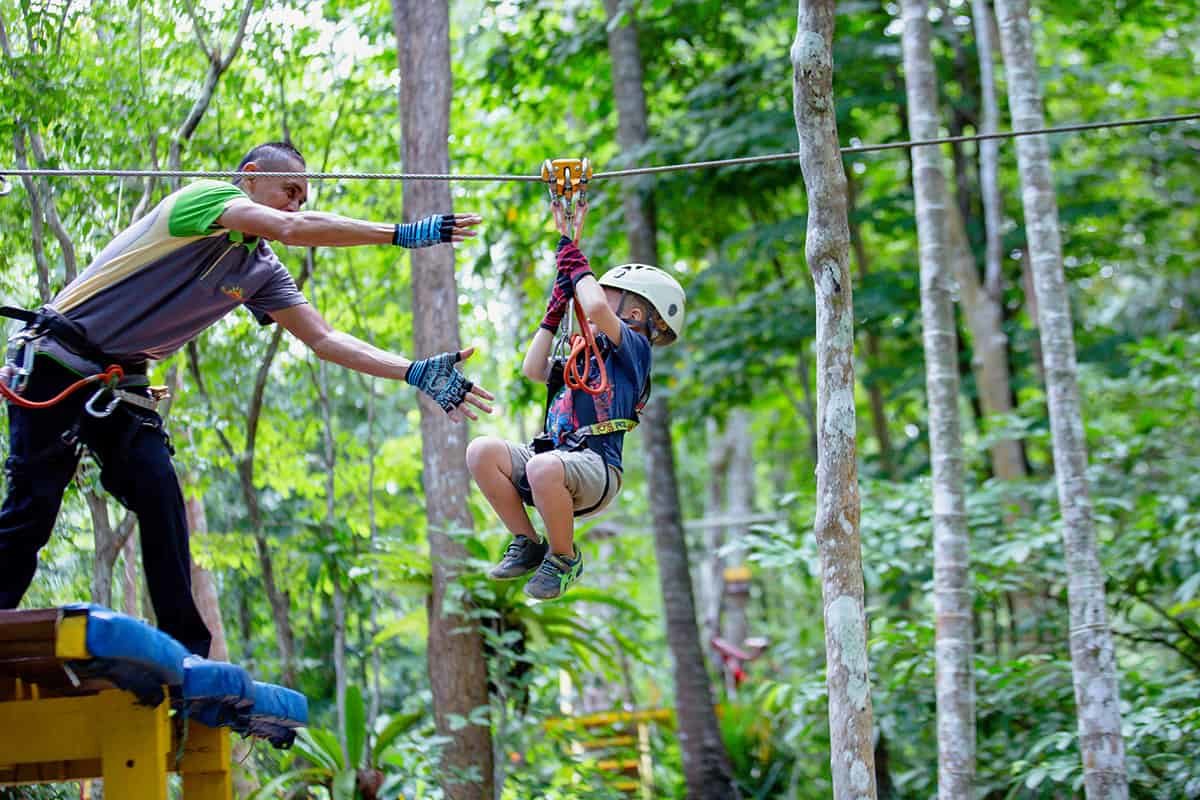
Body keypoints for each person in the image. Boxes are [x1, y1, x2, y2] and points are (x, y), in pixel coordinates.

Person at [0, 141, 493, 656]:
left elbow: (325, 340)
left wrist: (411, 371)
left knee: (161, 495)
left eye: (304, 197)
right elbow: (292, 230)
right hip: (56, 360)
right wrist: (401, 234)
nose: (296, 205)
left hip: (120, 385)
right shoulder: (203, 201)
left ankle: (185, 653)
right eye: (290, 190)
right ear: (251, 177)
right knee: (33, 509)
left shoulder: (261, 271)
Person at [465, 234, 685, 600]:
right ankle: (529, 542)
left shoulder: (634, 351)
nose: (590, 299)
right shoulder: (583, 357)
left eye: (607, 294)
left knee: (543, 467)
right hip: (556, 461)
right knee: (481, 451)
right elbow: (534, 369)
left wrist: (577, 266)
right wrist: (553, 315)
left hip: (595, 467)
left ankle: (565, 559)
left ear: (632, 315)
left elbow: (597, 308)